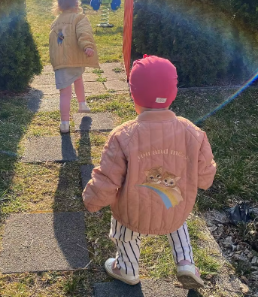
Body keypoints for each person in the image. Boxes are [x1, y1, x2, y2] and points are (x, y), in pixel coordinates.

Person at [82, 55, 217, 289]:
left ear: (134, 95)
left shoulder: (123, 136)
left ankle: (127, 268)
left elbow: (108, 177)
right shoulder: (192, 132)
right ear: (173, 93)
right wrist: (203, 180)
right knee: (177, 224)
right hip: (174, 204)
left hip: (133, 208)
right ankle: (185, 262)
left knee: (125, 229)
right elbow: (205, 173)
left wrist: (92, 200)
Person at [49, 0, 99, 133]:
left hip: (61, 63)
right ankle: (82, 103)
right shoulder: (79, 18)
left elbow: (54, 42)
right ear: (77, 3)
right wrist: (88, 47)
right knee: (78, 78)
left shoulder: (55, 22)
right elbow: (84, 34)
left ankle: (64, 123)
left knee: (65, 93)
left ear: (59, 6)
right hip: (75, 59)